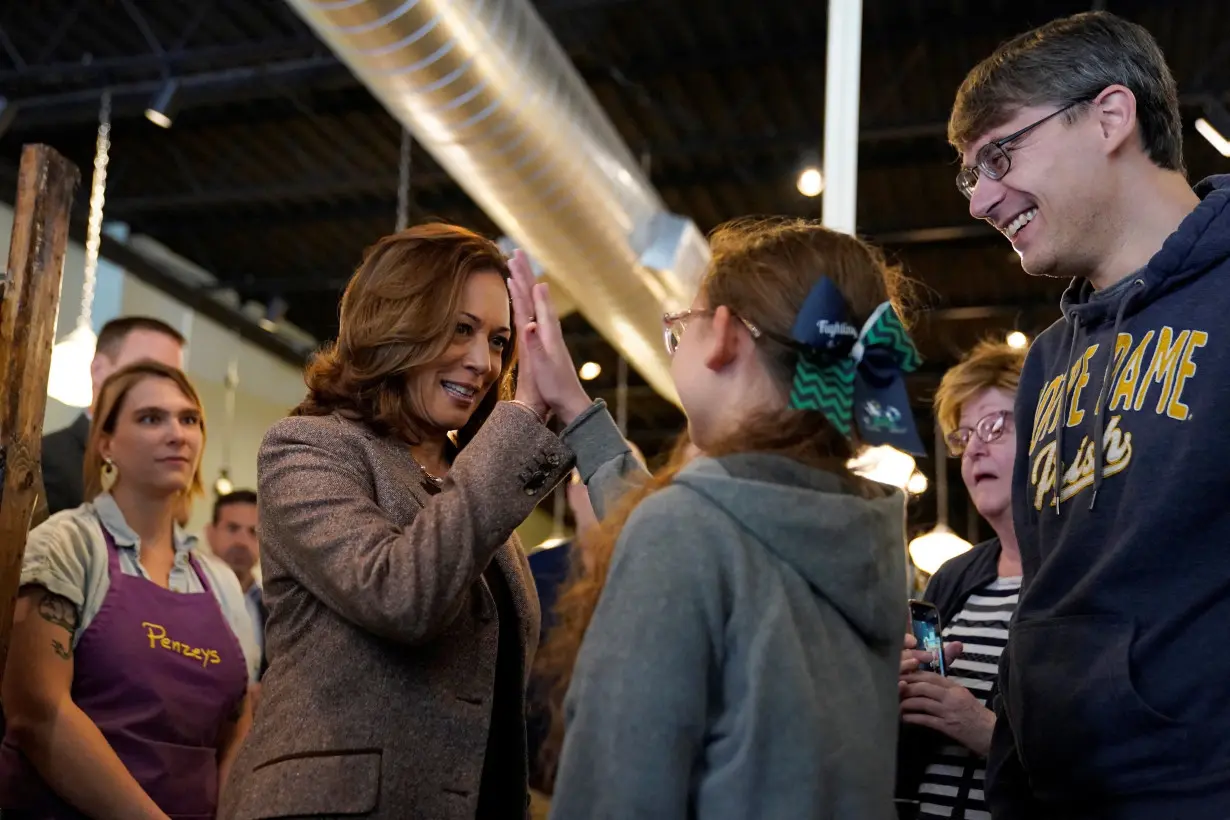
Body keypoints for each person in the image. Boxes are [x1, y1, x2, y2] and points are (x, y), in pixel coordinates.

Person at [515, 216, 921, 819]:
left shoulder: (685, 528)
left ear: (726, 335)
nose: (676, 339)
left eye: (683, 326)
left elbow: (617, 795)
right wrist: (578, 411)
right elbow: (725, 523)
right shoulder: (868, 535)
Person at [950, 10, 1230, 817]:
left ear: (1111, 117)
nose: (981, 200)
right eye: (969, 175)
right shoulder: (1048, 362)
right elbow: (1047, 595)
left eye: (999, 155)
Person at [217, 224, 585, 820]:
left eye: (498, 340)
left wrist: (569, 407)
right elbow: (399, 595)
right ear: (397, 321)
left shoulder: (471, 476)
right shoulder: (309, 447)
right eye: (460, 329)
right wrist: (522, 417)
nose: (483, 362)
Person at [0, 361, 260, 820]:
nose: (177, 434)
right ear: (106, 443)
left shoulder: (218, 580)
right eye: (150, 418)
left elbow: (237, 727)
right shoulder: (68, 546)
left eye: (189, 419)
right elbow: (39, 713)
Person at [895, 340, 1025, 820]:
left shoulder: (1083, 573)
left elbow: (1105, 755)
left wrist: (989, 734)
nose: (973, 449)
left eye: (993, 426)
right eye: (963, 435)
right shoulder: (954, 577)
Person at [41, 316, 185, 518]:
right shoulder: (43, 461)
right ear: (98, 370)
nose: (162, 389)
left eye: (172, 378)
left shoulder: (166, 471)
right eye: (145, 370)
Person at [206, 490, 266, 678]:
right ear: (210, 533)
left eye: (253, 532)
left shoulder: (275, 608)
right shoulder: (187, 595)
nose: (242, 542)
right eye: (232, 528)